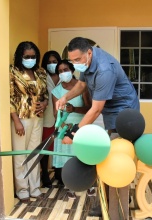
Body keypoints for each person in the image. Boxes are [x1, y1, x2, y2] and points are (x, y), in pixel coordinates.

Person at [55, 37, 140, 217]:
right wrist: (65, 98)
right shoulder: (87, 63)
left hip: (124, 113)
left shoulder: (104, 70)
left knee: (118, 157)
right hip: (110, 111)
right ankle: (109, 201)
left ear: (89, 53)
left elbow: (95, 109)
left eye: (77, 60)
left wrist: (73, 132)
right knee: (108, 155)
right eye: (72, 60)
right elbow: (82, 84)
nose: (75, 64)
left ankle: (118, 204)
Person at [10, 41, 48, 203]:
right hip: (22, 118)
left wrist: (45, 103)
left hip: (38, 118)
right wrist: (16, 121)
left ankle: (35, 188)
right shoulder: (13, 72)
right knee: (20, 155)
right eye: (27, 56)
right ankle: (22, 189)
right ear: (20, 56)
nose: (30, 59)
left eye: (33, 57)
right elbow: (10, 98)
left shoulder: (40, 72)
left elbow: (45, 94)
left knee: (34, 154)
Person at [51, 59, 94, 198]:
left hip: (81, 126)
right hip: (65, 128)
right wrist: (64, 127)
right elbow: (55, 113)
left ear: (72, 70)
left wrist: (74, 109)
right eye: (60, 71)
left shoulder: (81, 87)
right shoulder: (56, 91)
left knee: (84, 157)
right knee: (68, 159)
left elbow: (89, 108)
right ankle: (70, 186)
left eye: (66, 70)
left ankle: (88, 184)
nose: (63, 73)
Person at [40, 50, 62, 188]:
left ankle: (60, 174)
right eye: (49, 62)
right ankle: (45, 175)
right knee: (46, 147)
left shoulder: (64, 76)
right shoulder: (42, 77)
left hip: (63, 118)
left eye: (54, 62)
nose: (52, 64)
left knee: (60, 147)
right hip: (46, 118)